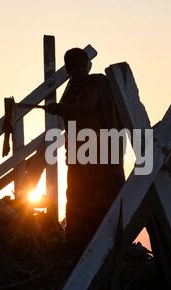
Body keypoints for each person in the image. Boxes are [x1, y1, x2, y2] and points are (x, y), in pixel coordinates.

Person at [44, 48, 125, 255]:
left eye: (82, 65)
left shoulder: (97, 83)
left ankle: (102, 245)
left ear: (87, 65)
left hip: (99, 155)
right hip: (79, 154)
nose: (80, 70)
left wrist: (59, 109)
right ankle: (77, 244)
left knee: (99, 198)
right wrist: (60, 108)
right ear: (69, 70)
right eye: (74, 67)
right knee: (76, 197)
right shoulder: (72, 89)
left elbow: (87, 107)